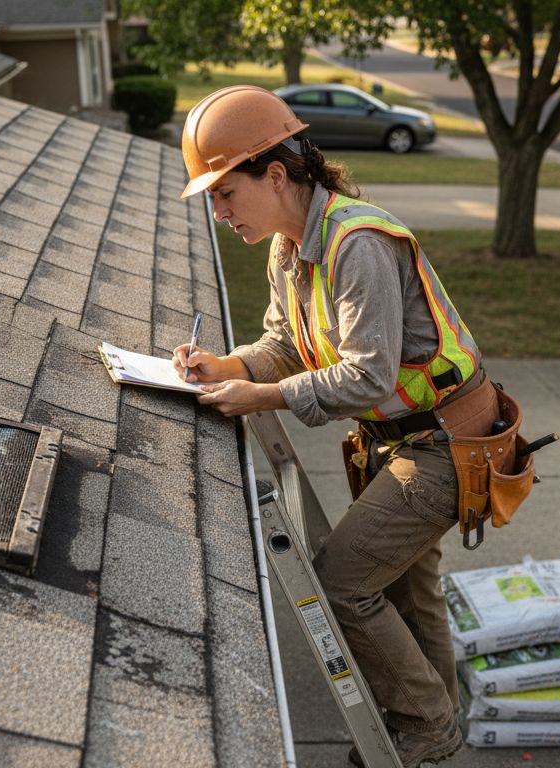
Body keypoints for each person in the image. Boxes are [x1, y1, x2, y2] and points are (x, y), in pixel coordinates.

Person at [173, 85, 499, 768]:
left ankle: (425, 726)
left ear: (277, 174)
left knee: (342, 582)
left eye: (226, 192)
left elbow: (368, 377)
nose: (220, 211)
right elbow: (285, 347)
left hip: (447, 442)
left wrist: (258, 398)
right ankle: (433, 733)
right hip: (401, 441)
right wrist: (223, 364)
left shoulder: (357, 244)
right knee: (408, 591)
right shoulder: (289, 247)